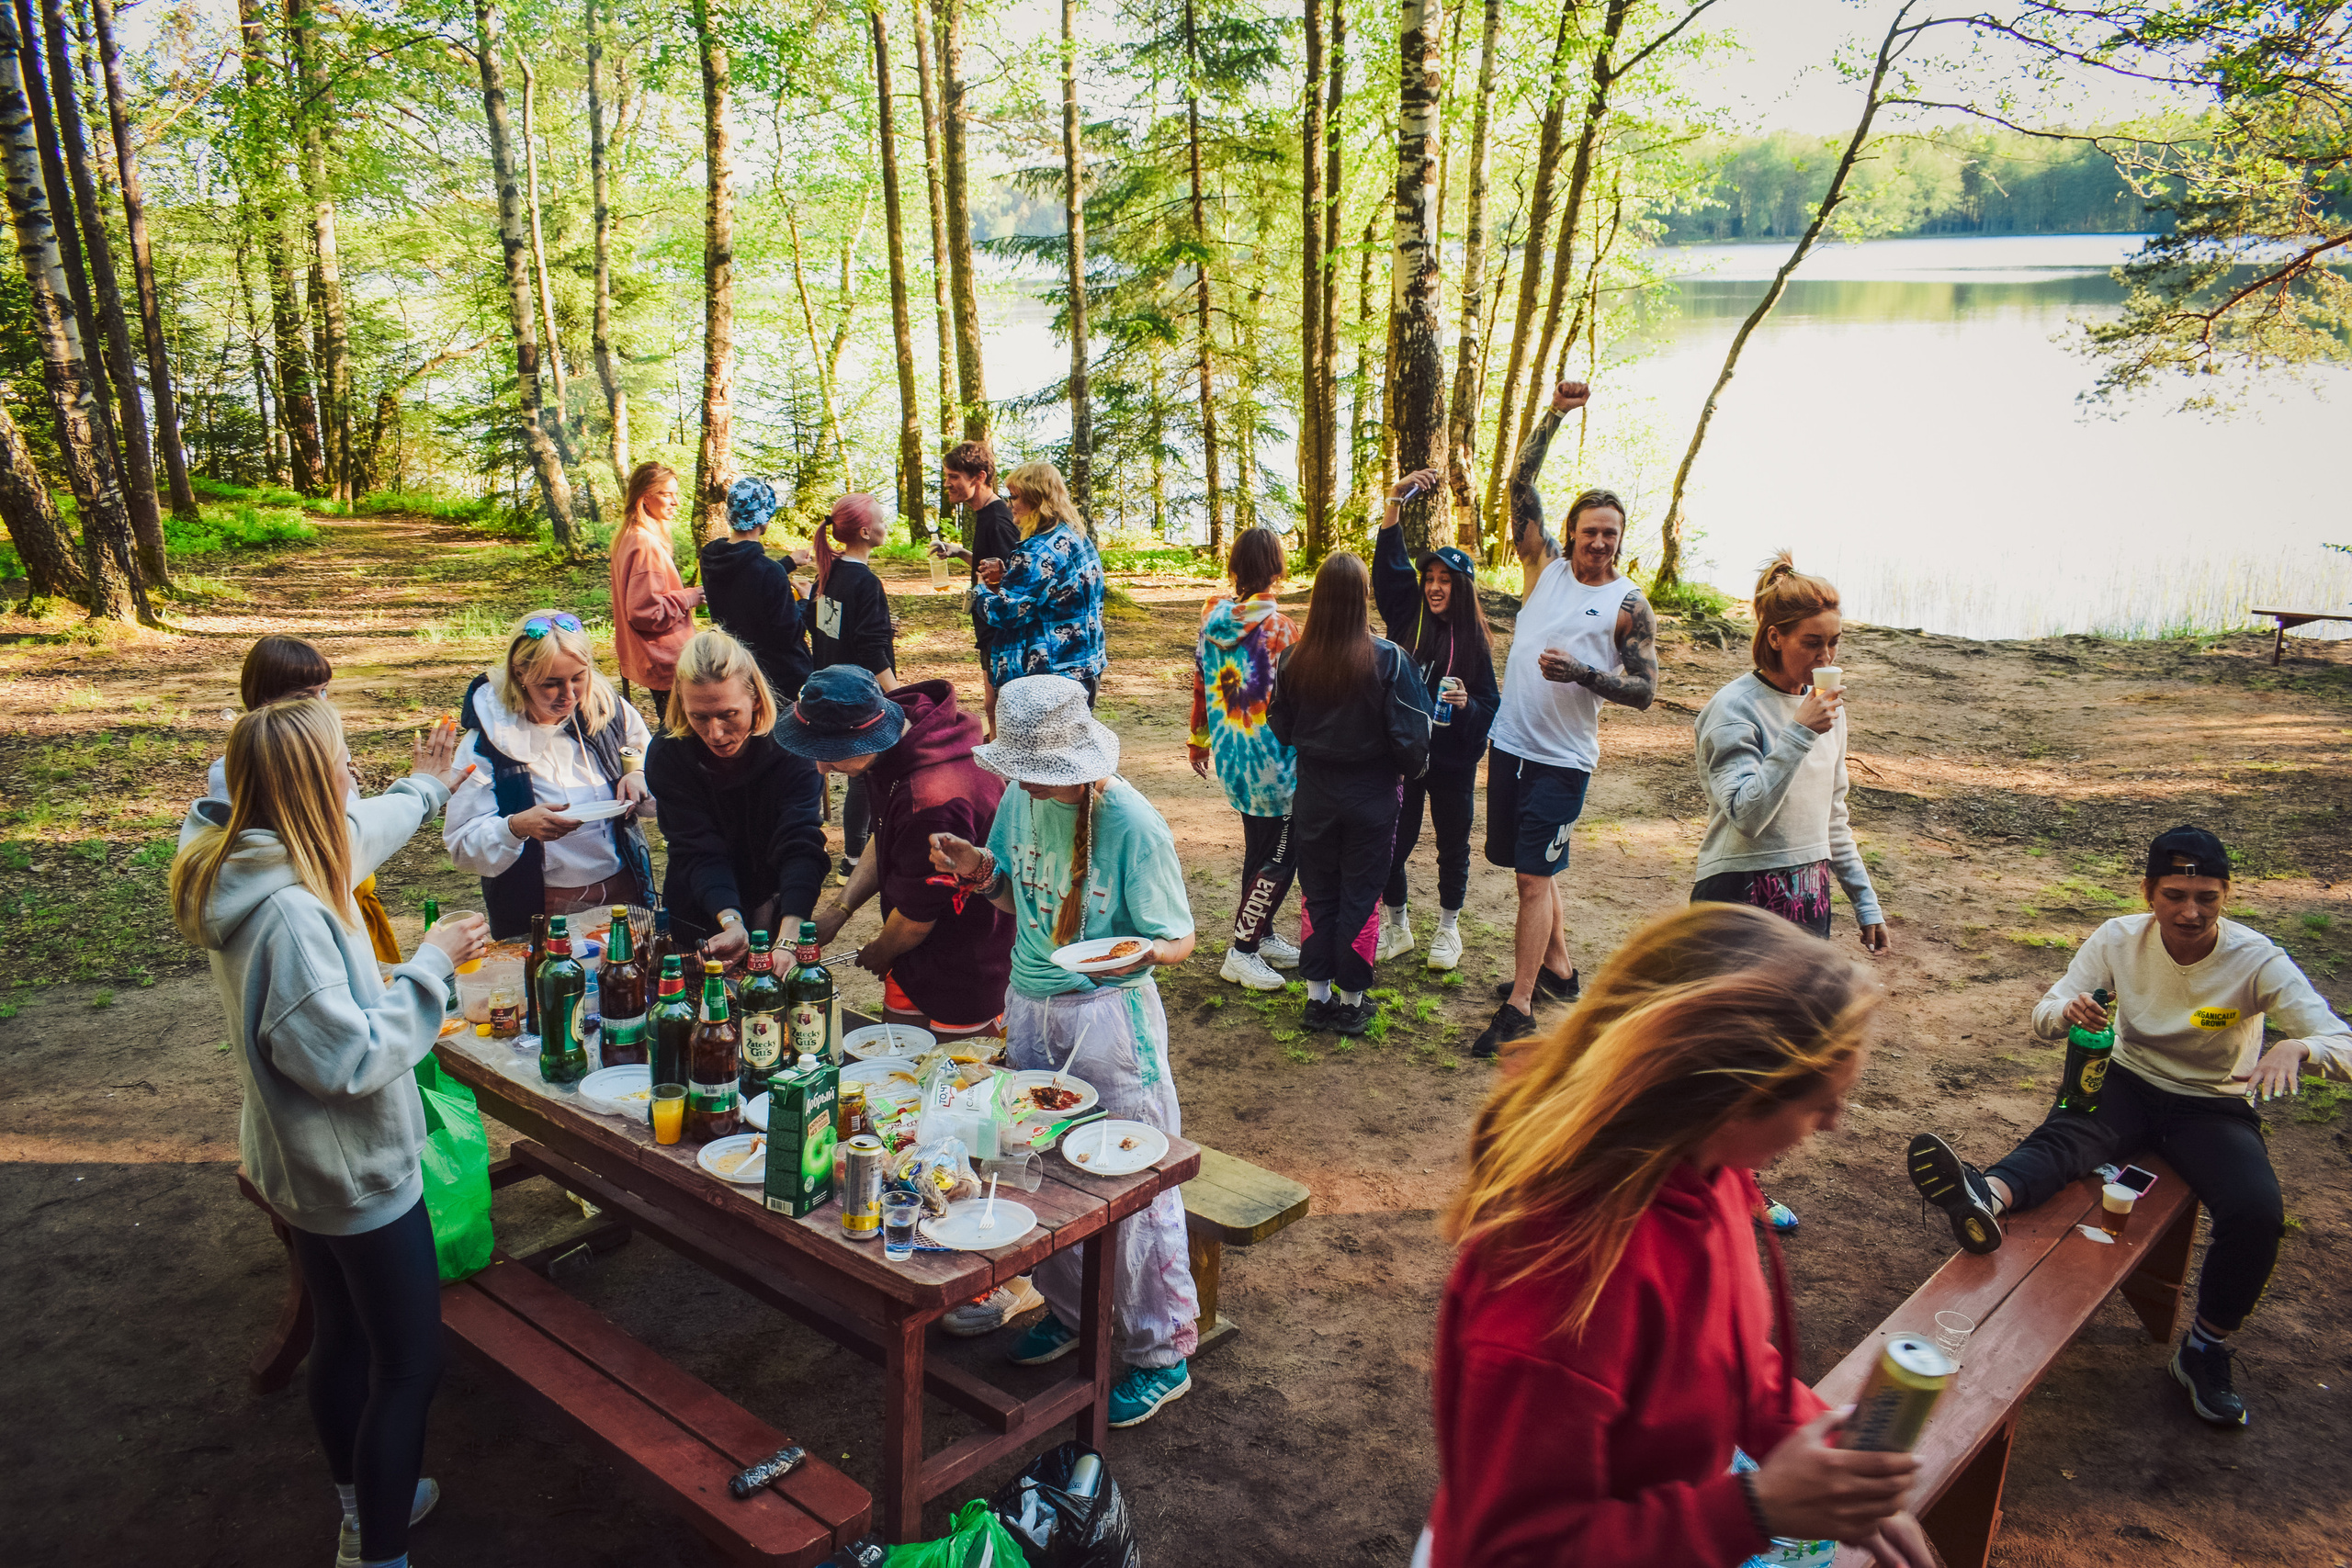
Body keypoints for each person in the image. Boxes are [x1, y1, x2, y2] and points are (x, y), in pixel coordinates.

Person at [1424, 903, 1931, 1568]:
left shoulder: (1709, 1168)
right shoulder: (1564, 1279)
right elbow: (1512, 1552)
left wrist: (1818, 1448)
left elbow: (1731, 1358)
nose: (1836, 1122)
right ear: (1732, 1096)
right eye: (1820, 1101)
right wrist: (1755, 1508)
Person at [172, 698, 492, 1568]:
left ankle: (363, 1505)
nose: (356, 773)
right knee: (409, 1364)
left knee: (342, 1336)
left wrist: (391, 966)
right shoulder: (290, 914)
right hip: (352, 1170)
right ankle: (377, 1551)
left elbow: (309, 1011)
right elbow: (346, 1055)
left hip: (294, 1158)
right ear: (310, 786)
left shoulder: (246, 864)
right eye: (344, 760)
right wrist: (430, 967)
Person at [1907, 825, 2352, 1429]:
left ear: (2227, 893)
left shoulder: (2256, 959)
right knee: (2067, 1138)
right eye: (2174, 895)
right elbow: (2045, 1011)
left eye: (2207, 896)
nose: (2190, 912)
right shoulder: (2119, 939)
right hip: (2127, 1081)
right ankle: (1984, 1194)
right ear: (2148, 891)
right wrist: (2067, 1011)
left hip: (2210, 1103)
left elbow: (2341, 1042)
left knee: (2256, 1210)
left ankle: (2205, 1346)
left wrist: (2298, 1047)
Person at [926, 674, 1201, 1426]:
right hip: (1031, 1005)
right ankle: (1071, 1311)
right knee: (1040, 1170)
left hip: (1109, 1017)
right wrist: (979, 871)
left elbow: (1179, 938)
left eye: (1039, 774)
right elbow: (1023, 895)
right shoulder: (1021, 797)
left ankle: (1161, 1350)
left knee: (1133, 1182)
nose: (1024, 785)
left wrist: (1137, 952)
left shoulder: (1132, 823)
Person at [1693, 555, 1889, 1235]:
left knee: (1782, 1052)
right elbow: (1748, 812)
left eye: (1835, 642)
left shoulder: (1832, 710)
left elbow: (1833, 816)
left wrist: (1865, 902)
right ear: (1775, 634)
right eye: (1813, 642)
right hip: (1741, 893)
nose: (1827, 655)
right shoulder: (1733, 709)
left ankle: (1736, 1182)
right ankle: (1718, 1185)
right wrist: (1800, 728)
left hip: (1806, 893)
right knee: (1733, 1051)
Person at [1475, 379, 1657, 1059]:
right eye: (1590, 533)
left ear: (1619, 539)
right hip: (1511, 745)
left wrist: (1583, 674)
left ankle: (1519, 1006)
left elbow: (1643, 690)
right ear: (1571, 534)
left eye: (1610, 535)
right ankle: (1559, 970)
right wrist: (1552, 414)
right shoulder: (1542, 567)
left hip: (1563, 760)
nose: (1600, 545)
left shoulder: (1628, 605)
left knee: (1530, 878)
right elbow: (1519, 480)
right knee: (1530, 868)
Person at [789, 666, 1014, 1043]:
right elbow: (885, 834)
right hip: (915, 958)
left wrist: (880, 951)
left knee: (954, 1082)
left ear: (869, 737)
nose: (821, 767)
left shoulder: (931, 802)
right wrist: (839, 911)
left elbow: (915, 918)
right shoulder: (900, 737)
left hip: (965, 967)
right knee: (898, 1069)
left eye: (831, 755)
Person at [1267, 552, 1433, 1036]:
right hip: (1373, 797)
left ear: (1317, 598)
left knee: (1317, 891)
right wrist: (1412, 770)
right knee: (1361, 894)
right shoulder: (1389, 659)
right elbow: (1413, 736)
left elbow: (1281, 724)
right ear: (1363, 598)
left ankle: (1317, 999)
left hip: (1314, 794)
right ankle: (1351, 1002)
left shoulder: (1294, 658)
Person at [446, 611, 656, 939]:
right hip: (539, 907)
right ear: (520, 675)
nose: (569, 694)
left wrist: (641, 774)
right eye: (551, 683)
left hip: (623, 890)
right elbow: (462, 846)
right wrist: (515, 827)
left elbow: (655, 771)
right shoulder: (487, 743)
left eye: (578, 677)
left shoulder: (611, 713)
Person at [195, 635, 404, 964]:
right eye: (306, 696)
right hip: (306, 901)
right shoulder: (233, 771)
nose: (322, 705)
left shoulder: (332, 746)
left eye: (324, 691)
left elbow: (350, 820)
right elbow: (248, 852)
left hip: (346, 885)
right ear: (267, 701)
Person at [1372, 471, 1499, 975]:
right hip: (1404, 757)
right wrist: (1394, 503)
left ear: (1461, 588)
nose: (1433, 587)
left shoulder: (1474, 642)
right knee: (1391, 843)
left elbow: (1491, 707)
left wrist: (1467, 704)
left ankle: (1448, 929)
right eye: (1429, 579)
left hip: (1451, 762)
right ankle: (1398, 927)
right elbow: (1388, 569)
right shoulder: (1409, 619)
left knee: (1453, 844)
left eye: (1445, 580)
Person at [646, 629, 830, 966]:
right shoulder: (667, 755)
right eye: (698, 716)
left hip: (777, 900)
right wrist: (730, 921)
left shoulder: (792, 745)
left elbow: (800, 842)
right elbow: (697, 850)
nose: (715, 733)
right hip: (700, 907)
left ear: (756, 698)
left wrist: (788, 939)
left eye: (729, 714)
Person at [1189, 525, 1304, 990]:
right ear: (1277, 568)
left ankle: (1263, 931)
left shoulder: (1212, 614)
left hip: (1233, 756)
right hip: (1274, 763)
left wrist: (1199, 739)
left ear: (1235, 567)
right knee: (1281, 855)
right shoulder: (1280, 628)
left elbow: (1199, 680)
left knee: (1259, 849)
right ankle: (1242, 950)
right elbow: (1294, 699)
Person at [811, 492, 900, 874]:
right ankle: (854, 859)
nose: (886, 525)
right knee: (865, 774)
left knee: (855, 773)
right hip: (860, 693)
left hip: (831, 686)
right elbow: (871, 649)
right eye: (881, 519)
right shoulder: (865, 582)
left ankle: (852, 855)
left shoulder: (830, 575)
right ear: (865, 531)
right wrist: (900, 696)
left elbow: (824, 628)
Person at [971, 461, 1106, 704]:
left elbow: (1007, 614)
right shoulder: (1074, 535)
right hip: (1084, 668)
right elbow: (1053, 593)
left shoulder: (1035, 552)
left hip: (1046, 680)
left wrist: (980, 592)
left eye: (1014, 497)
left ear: (1036, 499)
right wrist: (1010, 576)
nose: (1010, 505)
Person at [699, 475, 815, 706]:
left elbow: (745, 581)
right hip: (780, 680)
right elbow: (790, 634)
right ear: (764, 518)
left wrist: (788, 563)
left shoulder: (711, 558)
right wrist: (805, 600)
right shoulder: (769, 572)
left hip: (738, 669)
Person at [933, 439, 1022, 733]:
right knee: (992, 703)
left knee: (998, 705)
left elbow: (1016, 577)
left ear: (979, 477)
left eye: (954, 477)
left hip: (1000, 629)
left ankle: (1003, 774)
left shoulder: (997, 520)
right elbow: (990, 565)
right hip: (987, 626)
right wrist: (960, 552)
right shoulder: (984, 515)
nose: (947, 484)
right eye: (946, 476)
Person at [609, 460, 705, 718]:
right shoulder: (643, 544)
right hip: (665, 661)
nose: (676, 502)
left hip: (657, 658)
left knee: (675, 732)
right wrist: (691, 596)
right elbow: (645, 612)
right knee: (680, 737)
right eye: (666, 494)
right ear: (644, 499)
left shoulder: (629, 537)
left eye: (676, 494)